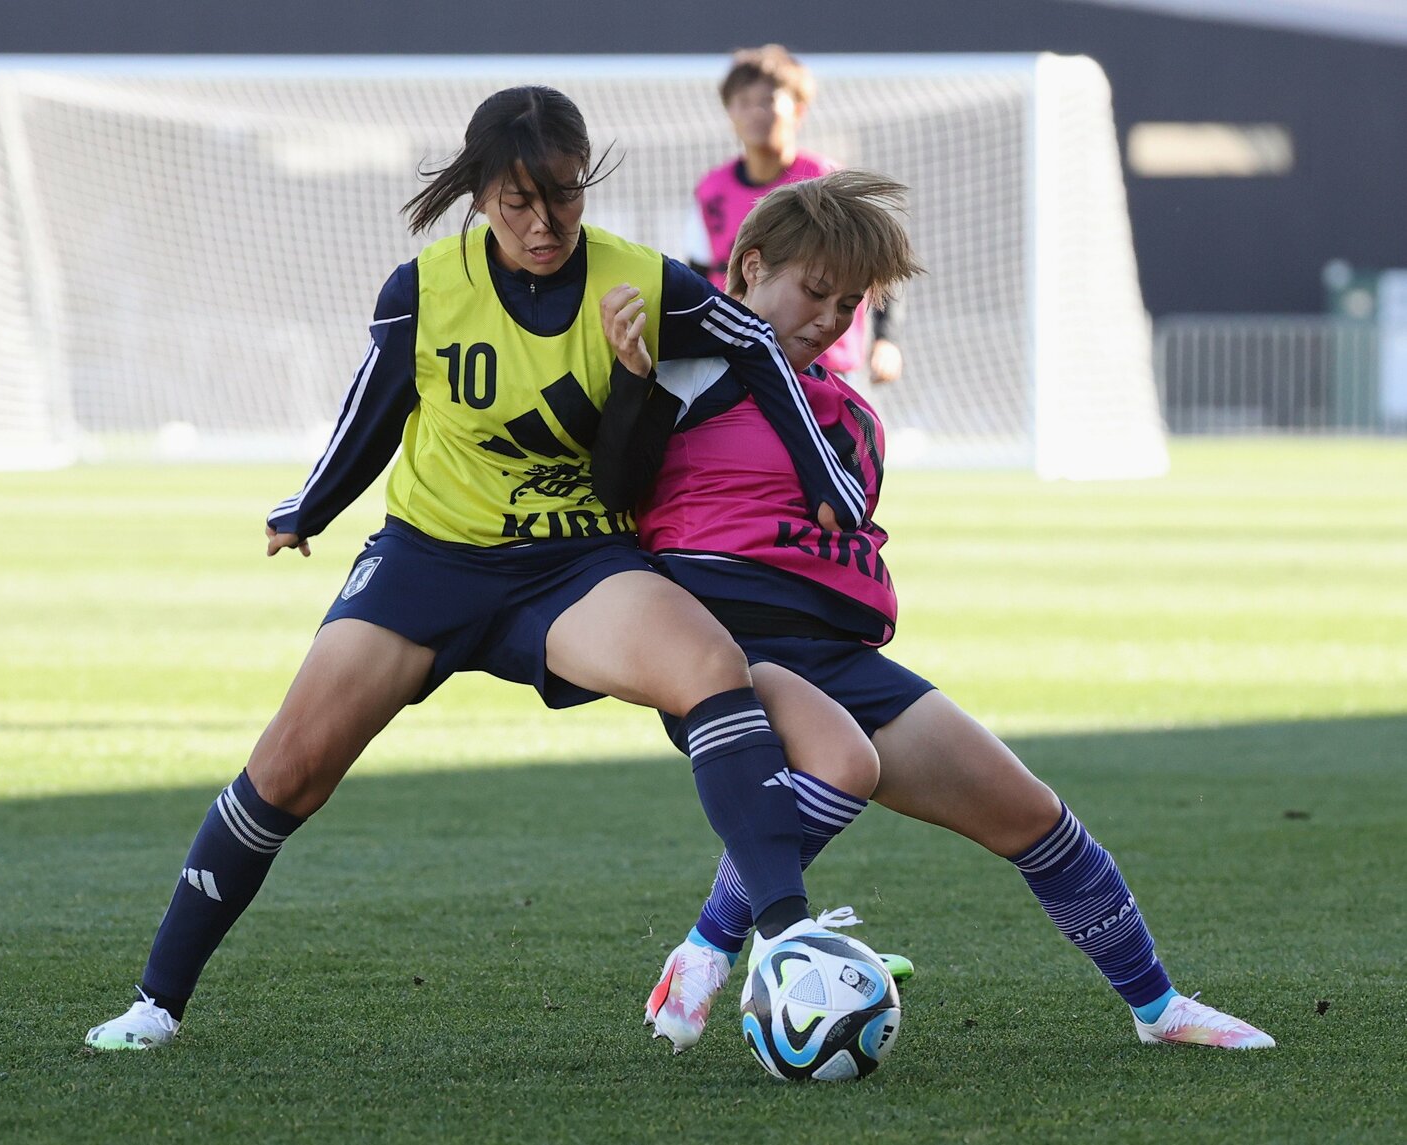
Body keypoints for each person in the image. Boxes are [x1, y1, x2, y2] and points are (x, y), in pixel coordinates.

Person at [84, 85, 876, 1051]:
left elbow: (753, 343)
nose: (544, 224)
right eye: (518, 202)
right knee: (287, 769)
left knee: (711, 665)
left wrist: (822, 475)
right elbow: (370, 419)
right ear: (479, 192)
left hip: (575, 565)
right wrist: (309, 507)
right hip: (430, 562)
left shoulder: (640, 278)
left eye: (565, 199)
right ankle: (156, 1001)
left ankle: (785, 940)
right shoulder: (423, 288)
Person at [595, 170, 1276, 1054]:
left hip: (839, 658)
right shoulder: (679, 371)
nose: (832, 318)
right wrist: (626, 385)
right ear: (750, 267)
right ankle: (707, 951)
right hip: (720, 650)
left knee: (1032, 814)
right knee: (845, 763)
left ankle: (1160, 1008)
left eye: (850, 302)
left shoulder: (853, 418)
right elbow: (609, 493)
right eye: (813, 290)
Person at [687, 44, 902, 388]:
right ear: (730, 113)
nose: (756, 112)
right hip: (740, 358)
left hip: (826, 365)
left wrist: (886, 339)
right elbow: (697, 274)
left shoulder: (827, 180)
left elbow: (876, 266)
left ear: (798, 110)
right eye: (744, 102)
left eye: (768, 101)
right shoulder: (712, 190)